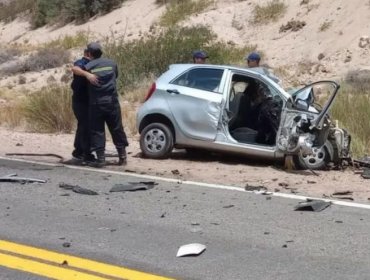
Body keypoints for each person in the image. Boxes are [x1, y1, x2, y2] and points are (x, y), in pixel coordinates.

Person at [72, 42, 129, 168]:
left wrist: (88, 75)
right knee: (117, 129)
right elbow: (116, 76)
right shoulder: (112, 63)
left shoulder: (88, 66)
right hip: (112, 102)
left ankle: (101, 159)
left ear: (89, 53)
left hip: (96, 104)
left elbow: (77, 72)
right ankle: (123, 157)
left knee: (97, 131)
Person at [70, 49, 95, 164]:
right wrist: (87, 75)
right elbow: (75, 69)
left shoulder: (95, 64)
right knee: (85, 126)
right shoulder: (82, 62)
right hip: (80, 101)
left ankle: (78, 151)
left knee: (83, 125)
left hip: (88, 101)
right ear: (88, 54)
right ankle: (85, 153)